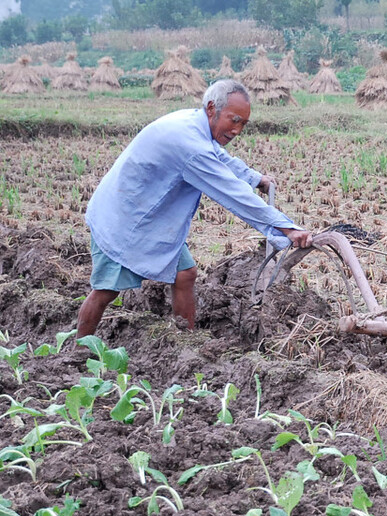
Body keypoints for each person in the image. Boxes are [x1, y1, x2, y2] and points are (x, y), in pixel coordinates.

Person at [77, 78, 313, 337]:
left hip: (149, 216)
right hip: (124, 220)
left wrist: (255, 178)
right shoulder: (189, 144)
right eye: (233, 120)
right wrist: (286, 227)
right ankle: (79, 350)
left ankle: (185, 340)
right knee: (106, 291)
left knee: (185, 274)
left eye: (243, 124)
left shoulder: (194, 124)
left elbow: (218, 156)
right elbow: (234, 195)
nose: (237, 130)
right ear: (212, 108)